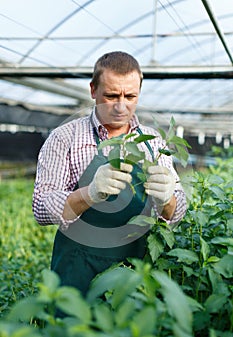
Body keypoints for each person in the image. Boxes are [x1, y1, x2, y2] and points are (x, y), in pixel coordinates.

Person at [32, 51, 186, 297]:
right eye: (111, 95)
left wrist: (168, 199)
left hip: (136, 271)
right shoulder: (65, 138)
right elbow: (41, 208)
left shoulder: (154, 143)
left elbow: (176, 214)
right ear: (93, 90)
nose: (121, 106)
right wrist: (90, 193)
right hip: (78, 267)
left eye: (131, 96)